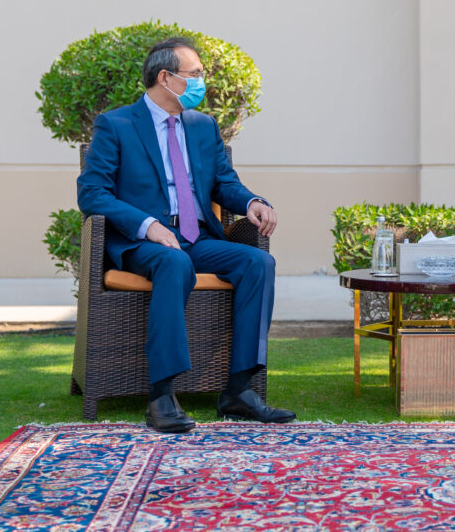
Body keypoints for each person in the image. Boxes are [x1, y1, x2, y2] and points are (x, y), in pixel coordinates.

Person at [77, 36, 295, 433]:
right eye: (194, 74)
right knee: (174, 262)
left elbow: (224, 183)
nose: (201, 82)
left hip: (198, 238)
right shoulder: (117, 125)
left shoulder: (202, 126)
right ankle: (162, 396)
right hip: (144, 243)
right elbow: (92, 193)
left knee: (258, 262)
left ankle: (239, 391)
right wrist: (148, 225)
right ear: (166, 77)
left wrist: (252, 202)